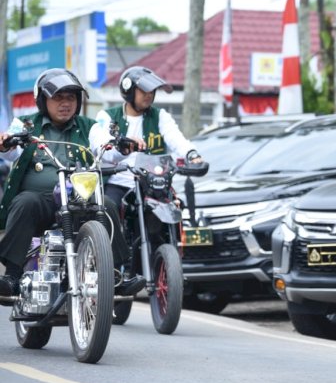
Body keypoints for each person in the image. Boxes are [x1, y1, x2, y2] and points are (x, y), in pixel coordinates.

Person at [0, 68, 130, 299]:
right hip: (42, 203)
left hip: (78, 200)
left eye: (70, 97)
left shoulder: (89, 126)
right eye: (58, 97)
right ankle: (12, 275)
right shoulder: (27, 124)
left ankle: (118, 274)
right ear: (42, 100)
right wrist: (6, 143)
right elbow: (11, 149)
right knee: (25, 201)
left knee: (107, 205)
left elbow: (105, 147)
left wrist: (121, 147)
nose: (65, 103)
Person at [90, 66, 203, 212]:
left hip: (153, 183)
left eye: (152, 91)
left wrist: (191, 154)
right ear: (128, 91)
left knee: (175, 208)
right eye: (143, 90)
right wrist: (123, 147)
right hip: (118, 182)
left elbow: (176, 138)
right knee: (107, 210)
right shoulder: (107, 116)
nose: (149, 95)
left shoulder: (160, 116)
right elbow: (102, 148)